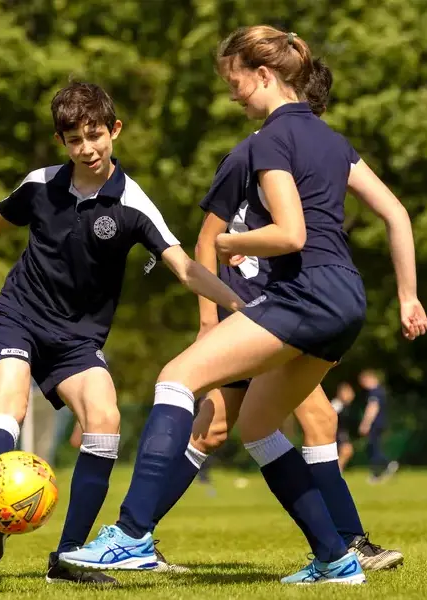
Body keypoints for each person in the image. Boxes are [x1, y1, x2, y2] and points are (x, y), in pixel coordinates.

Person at [60, 26, 427, 585]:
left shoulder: (268, 140)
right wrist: (407, 296)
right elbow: (397, 214)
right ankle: (337, 559)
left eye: (236, 83)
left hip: (303, 295)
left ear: (264, 76)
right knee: (258, 425)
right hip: (347, 299)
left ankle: (131, 535)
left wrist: (231, 245)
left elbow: (291, 235)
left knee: (176, 378)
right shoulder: (333, 140)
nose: (234, 95)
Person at [0, 82, 244, 586]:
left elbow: (184, 269)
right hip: (19, 315)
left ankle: (70, 558)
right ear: (61, 141)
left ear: (114, 130)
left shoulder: (133, 203)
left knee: (106, 418)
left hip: (76, 339)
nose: (86, 148)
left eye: (95, 135)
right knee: (12, 401)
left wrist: (240, 305)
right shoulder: (40, 185)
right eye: (74, 139)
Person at [147, 75, 402, 571]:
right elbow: (206, 242)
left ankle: (346, 544)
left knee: (312, 420)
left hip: (283, 311)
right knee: (215, 427)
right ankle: (137, 535)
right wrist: (208, 321)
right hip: (251, 312)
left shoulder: (294, 157)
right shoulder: (250, 154)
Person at [358, 369, 399, 482]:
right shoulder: (381, 391)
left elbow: (373, 408)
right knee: (374, 447)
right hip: (381, 423)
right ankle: (385, 467)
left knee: (373, 448)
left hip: (375, 424)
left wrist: (365, 423)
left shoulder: (375, 392)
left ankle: (380, 471)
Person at [331, 382, 357, 472]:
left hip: (342, 433)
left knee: (347, 451)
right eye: (348, 393)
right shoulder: (336, 405)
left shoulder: (345, 406)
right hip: (335, 433)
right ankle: (336, 470)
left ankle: (337, 470)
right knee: (347, 450)